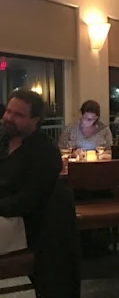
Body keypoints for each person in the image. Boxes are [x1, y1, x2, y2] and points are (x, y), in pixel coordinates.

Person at [0, 90, 62, 254]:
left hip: (23, 224)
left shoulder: (45, 152)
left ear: (35, 120)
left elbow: (27, 202)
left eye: (18, 115)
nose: (8, 118)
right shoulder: (3, 139)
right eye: (8, 111)